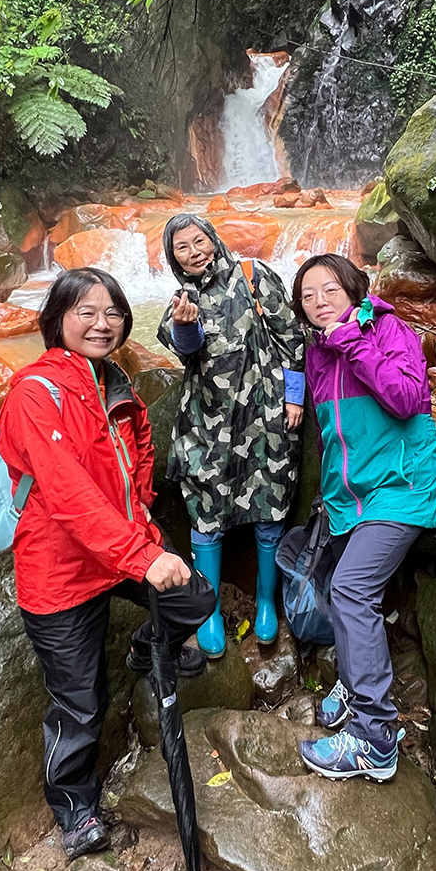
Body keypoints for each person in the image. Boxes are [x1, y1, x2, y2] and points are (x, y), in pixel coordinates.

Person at [0, 266, 215, 861]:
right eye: (86, 312)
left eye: (113, 313)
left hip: (118, 550)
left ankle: (147, 648)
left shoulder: (112, 379)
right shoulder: (35, 393)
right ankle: (75, 809)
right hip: (61, 570)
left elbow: (139, 448)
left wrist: (142, 517)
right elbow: (68, 493)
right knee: (81, 702)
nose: (102, 323)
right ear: (57, 320)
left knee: (195, 597)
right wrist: (142, 556)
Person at [292, 253, 436, 782]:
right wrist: (326, 493)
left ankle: (374, 737)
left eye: (329, 290)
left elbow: (406, 398)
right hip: (347, 497)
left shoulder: (386, 330)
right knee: (348, 590)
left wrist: (352, 342)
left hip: (399, 488)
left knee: (351, 590)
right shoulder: (316, 351)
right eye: (308, 295)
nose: (319, 302)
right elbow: (329, 432)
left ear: (353, 289)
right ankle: (354, 681)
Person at [157, 214, 306, 657]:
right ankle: (208, 610)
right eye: (182, 247)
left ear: (213, 239)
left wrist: (294, 397)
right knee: (205, 513)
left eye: (199, 240)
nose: (194, 252)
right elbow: (185, 347)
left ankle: (266, 603)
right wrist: (186, 324)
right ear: (173, 258)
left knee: (270, 505)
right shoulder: (180, 302)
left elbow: (291, 337)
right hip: (208, 426)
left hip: (265, 417)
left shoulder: (253, 276)